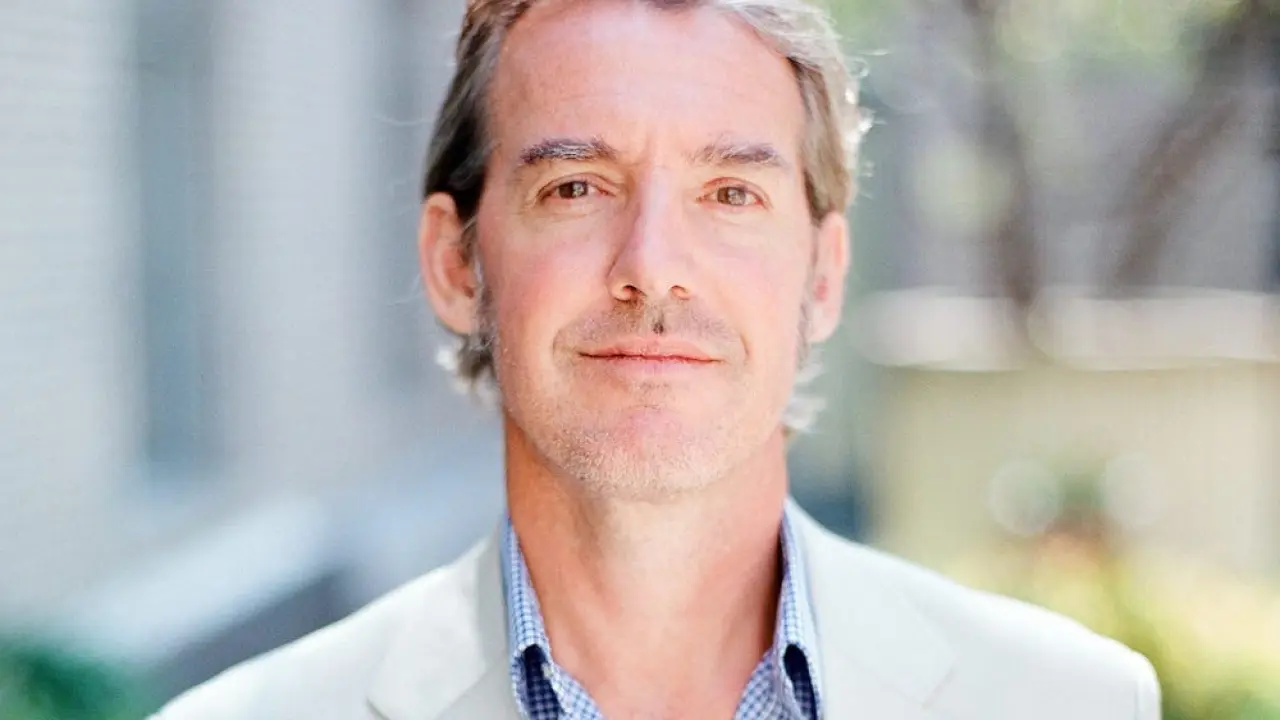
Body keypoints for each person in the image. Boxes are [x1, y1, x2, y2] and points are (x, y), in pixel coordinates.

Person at [152, 0, 1161, 718]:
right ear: (455, 264)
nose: (652, 269)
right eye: (577, 188)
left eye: (730, 194)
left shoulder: (1070, 703)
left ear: (822, 275)